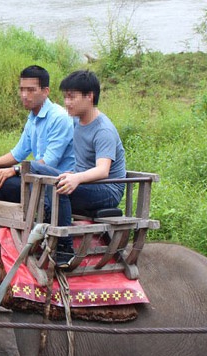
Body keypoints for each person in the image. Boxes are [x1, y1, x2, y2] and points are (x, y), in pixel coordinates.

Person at [52, 69, 127, 266]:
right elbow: (83, 165)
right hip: (90, 184)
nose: (67, 102)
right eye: (65, 97)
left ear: (89, 96)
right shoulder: (77, 123)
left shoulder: (103, 129)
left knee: (61, 189)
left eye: (72, 97)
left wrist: (76, 178)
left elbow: (102, 170)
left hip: (108, 189)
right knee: (49, 184)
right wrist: (74, 174)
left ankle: (65, 247)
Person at [0, 65, 75, 203]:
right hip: (37, 179)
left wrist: (14, 170)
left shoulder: (59, 118)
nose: (24, 95)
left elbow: (48, 163)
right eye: (22, 89)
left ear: (45, 91)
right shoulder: (33, 118)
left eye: (31, 90)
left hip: (57, 184)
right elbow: (17, 154)